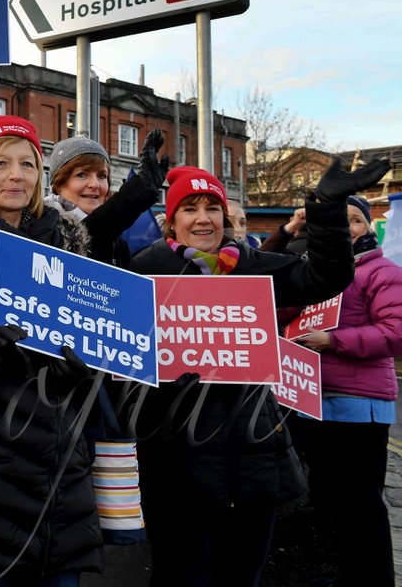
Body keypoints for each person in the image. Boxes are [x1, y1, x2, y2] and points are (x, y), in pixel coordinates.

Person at [124, 160, 389, 587]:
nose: (203, 218)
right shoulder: (143, 269)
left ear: (225, 218)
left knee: (242, 575)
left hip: (251, 454)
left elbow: (326, 277)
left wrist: (326, 207)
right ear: (172, 222)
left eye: (211, 208)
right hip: (176, 459)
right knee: (179, 574)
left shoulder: (253, 264)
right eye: (189, 209)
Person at [0, 114, 101, 587]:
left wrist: (82, 370)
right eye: (0, 164)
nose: (15, 175)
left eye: (27, 164)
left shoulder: (71, 241)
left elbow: (97, 334)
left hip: (61, 446)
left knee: (61, 570)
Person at [292, 195, 402, 587]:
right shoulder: (309, 269)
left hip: (360, 405)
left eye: (354, 220)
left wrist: (332, 340)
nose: (345, 228)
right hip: (312, 398)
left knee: (361, 506)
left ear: (368, 228)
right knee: (329, 503)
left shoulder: (380, 271)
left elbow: (396, 333)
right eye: (337, 221)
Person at [43, 130, 168, 266]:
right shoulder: (45, 228)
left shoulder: (118, 243)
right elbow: (94, 229)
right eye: (81, 175)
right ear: (57, 185)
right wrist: (141, 186)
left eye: (102, 176)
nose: (95, 184)